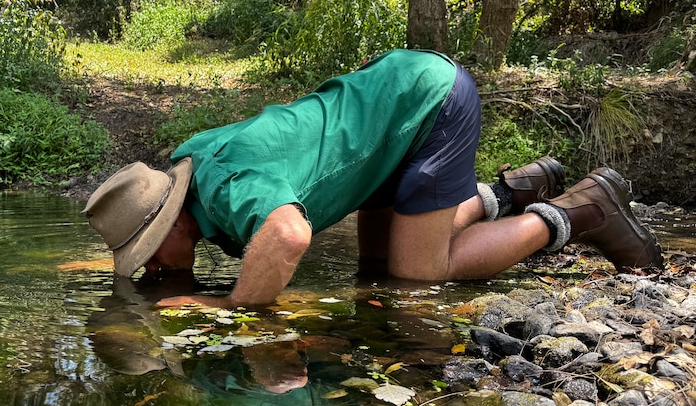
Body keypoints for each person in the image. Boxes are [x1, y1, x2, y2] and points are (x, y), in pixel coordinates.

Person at [83, 49, 664, 308]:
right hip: (384, 115)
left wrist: (235, 307)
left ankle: (583, 209)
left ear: (174, 217)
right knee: (376, 271)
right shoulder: (189, 164)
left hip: (424, 107)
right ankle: (510, 193)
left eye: (151, 251)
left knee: (418, 276)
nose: (151, 266)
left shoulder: (229, 186)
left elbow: (287, 238)